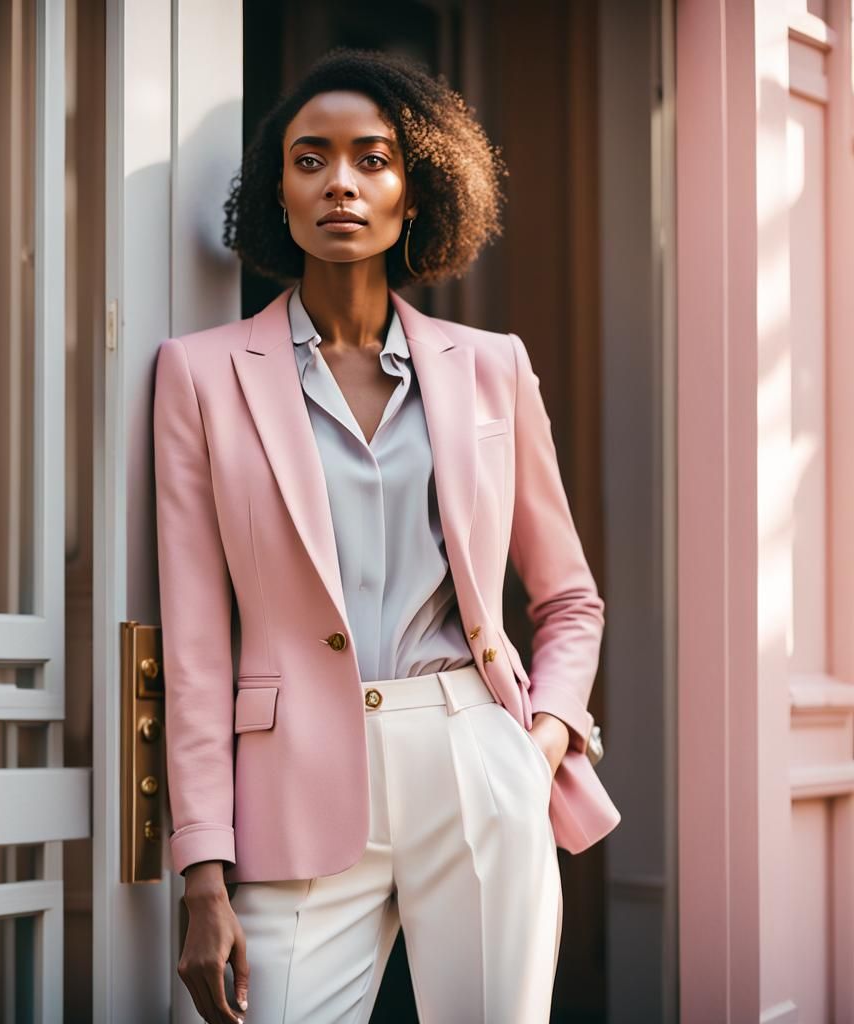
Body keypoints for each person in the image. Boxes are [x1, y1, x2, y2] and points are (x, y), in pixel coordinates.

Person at [153, 46, 620, 1024]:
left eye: (372, 158)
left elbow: (568, 595)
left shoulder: (492, 369)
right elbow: (195, 643)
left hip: (471, 758)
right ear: (277, 192)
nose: (340, 183)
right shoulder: (198, 376)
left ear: (417, 192)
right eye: (309, 159)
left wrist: (533, 744)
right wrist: (202, 865)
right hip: (291, 784)